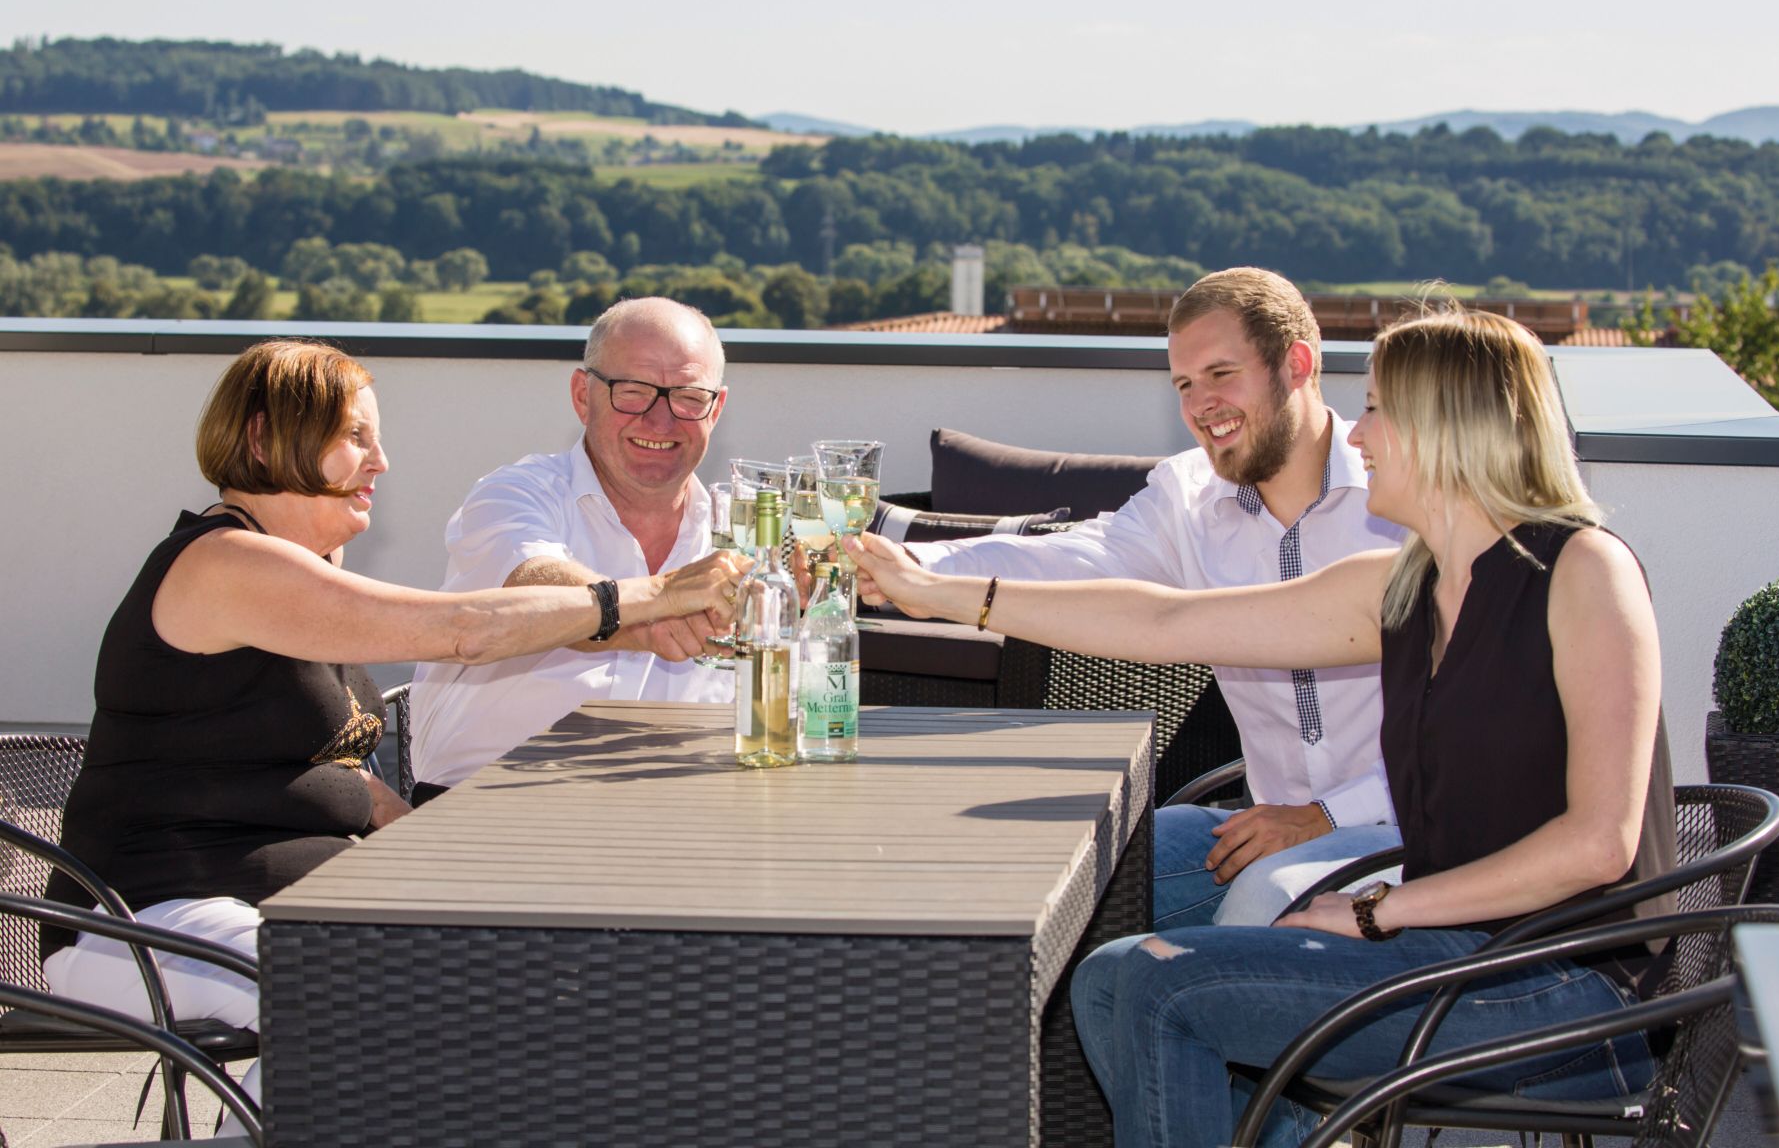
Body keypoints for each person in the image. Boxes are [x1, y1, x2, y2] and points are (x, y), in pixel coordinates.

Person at [848, 308, 1678, 1148]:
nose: (1362, 431)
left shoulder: (1583, 572)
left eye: (1383, 408)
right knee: (1108, 978)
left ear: (1450, 422)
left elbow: (1598, 845)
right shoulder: (1403, 588)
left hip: (1566, 990)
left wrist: (1378, 911)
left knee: (1157, 991)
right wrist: (946, 595)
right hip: (1451, 949)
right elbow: (1167, 624)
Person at [43, 339, 740, 1125]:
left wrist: (428, 846)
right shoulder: (225, 564)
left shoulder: (302, 568)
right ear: (266, 439)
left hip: (284, 904)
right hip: (144, 920)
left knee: (517, 976)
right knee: (347, 1007)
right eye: (354, 437)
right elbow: (465, 628)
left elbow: (330, 770)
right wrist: (647, 597)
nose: (381, 461)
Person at [890, 268, 1403, 928]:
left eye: (1221, 374)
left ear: (1296, 364)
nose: (1200, 404)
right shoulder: (1187, 496)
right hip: (1257, 826)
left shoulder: (1402, 494)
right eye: (1184, 385)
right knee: (1060, 888)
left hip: (1397, 827)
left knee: (1247, 913)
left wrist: (1326, 816)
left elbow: (1474, 737)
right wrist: (911, 568)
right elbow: (1071, 560)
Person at [409, 297, 737, 802]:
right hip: (492, 808)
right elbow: (531, 588)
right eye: (633, 392)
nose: (660, 420)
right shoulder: (515, 495)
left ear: (715, 409)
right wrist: (662, 602)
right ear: (583, 395)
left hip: (679, 812)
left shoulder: (745, 529)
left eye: (688, 398)